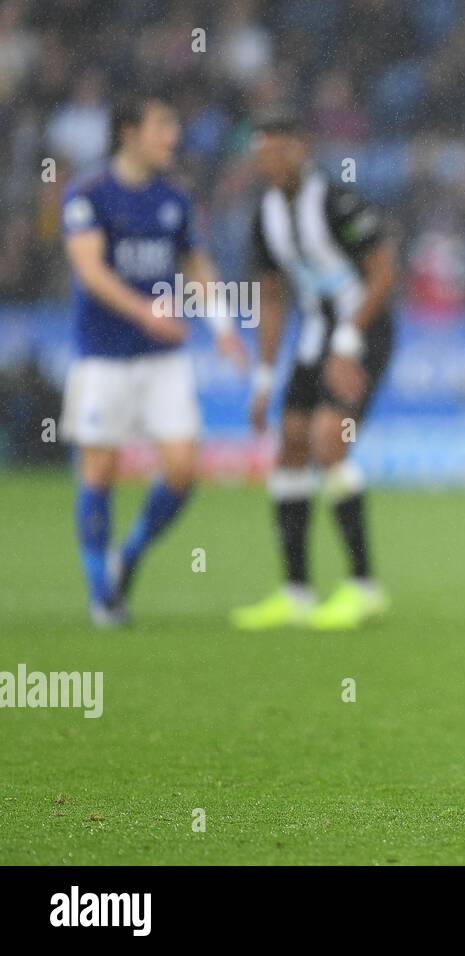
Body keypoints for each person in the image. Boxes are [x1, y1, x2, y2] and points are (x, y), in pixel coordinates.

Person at [62, 94, 246, 627]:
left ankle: (129, 556)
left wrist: (223, 327)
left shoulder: (174, 198)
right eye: (163, 126)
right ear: (129, 132)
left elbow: (197, 265)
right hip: (104, 355)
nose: (173, 137)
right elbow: (90, 272)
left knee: (184, 469)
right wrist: (145, 312)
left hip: (164, 356)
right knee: (100, 468)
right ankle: (102, 593)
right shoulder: (90, 194)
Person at [230, 111, 399, 631]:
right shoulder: (264, 217)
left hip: (363, 333)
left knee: (330, 441)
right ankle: (297, 591)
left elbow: (383, 271)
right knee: (291, 444)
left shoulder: (335, 201)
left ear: (303, 149)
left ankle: (364, 586)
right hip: (313, 340)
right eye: (264, 152)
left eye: (282, 149)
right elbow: (272, 299)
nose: (272, 160)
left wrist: (348, 340)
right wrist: (263, 377)